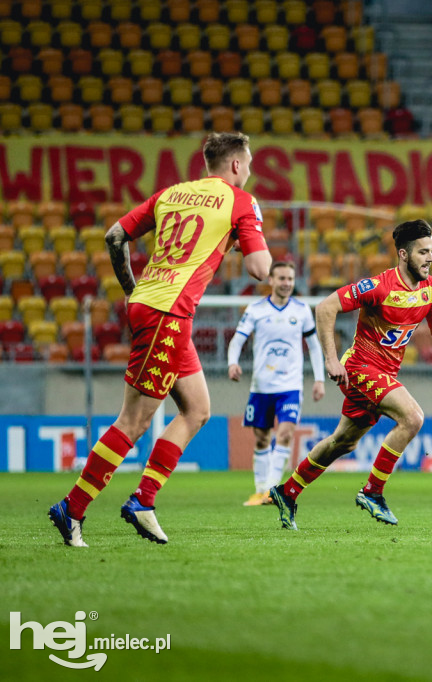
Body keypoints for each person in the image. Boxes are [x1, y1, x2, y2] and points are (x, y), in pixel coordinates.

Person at [48, 132, 271, 547]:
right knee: (134, 420)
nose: (251, 169)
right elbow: (261, 269)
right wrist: (251, 240)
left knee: (198, 409)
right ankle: (72, 507)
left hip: (154, 304)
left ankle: (143, 501)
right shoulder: (241, 202)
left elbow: (115, 236)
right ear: (236, 165)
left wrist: (132, 289)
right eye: (250, 162)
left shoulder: (173, 194)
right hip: (168, 312)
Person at [269, 219, 432, 530]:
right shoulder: (378, 287)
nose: (430, 258)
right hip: (360, 369)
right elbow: (325, 308)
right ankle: (372, 491)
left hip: (384, 374)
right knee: (412, 417)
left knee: (343, 442)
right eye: (423, 252)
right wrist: (331, 359)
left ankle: (287, 492)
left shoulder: (431, 289)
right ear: (403, 254)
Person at [228, 261, 326, 506]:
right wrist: (232, 362)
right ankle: (260, 490)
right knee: (261, 439)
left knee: (284, 435)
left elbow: (314, 347)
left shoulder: (302, 310)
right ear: (270, 280)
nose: (286, 284)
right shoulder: (256, 310)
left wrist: (319, 379)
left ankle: (271, 492)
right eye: (282, 278)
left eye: (290, 279)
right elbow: (237, 340)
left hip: (290, 387)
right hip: (261, 387)